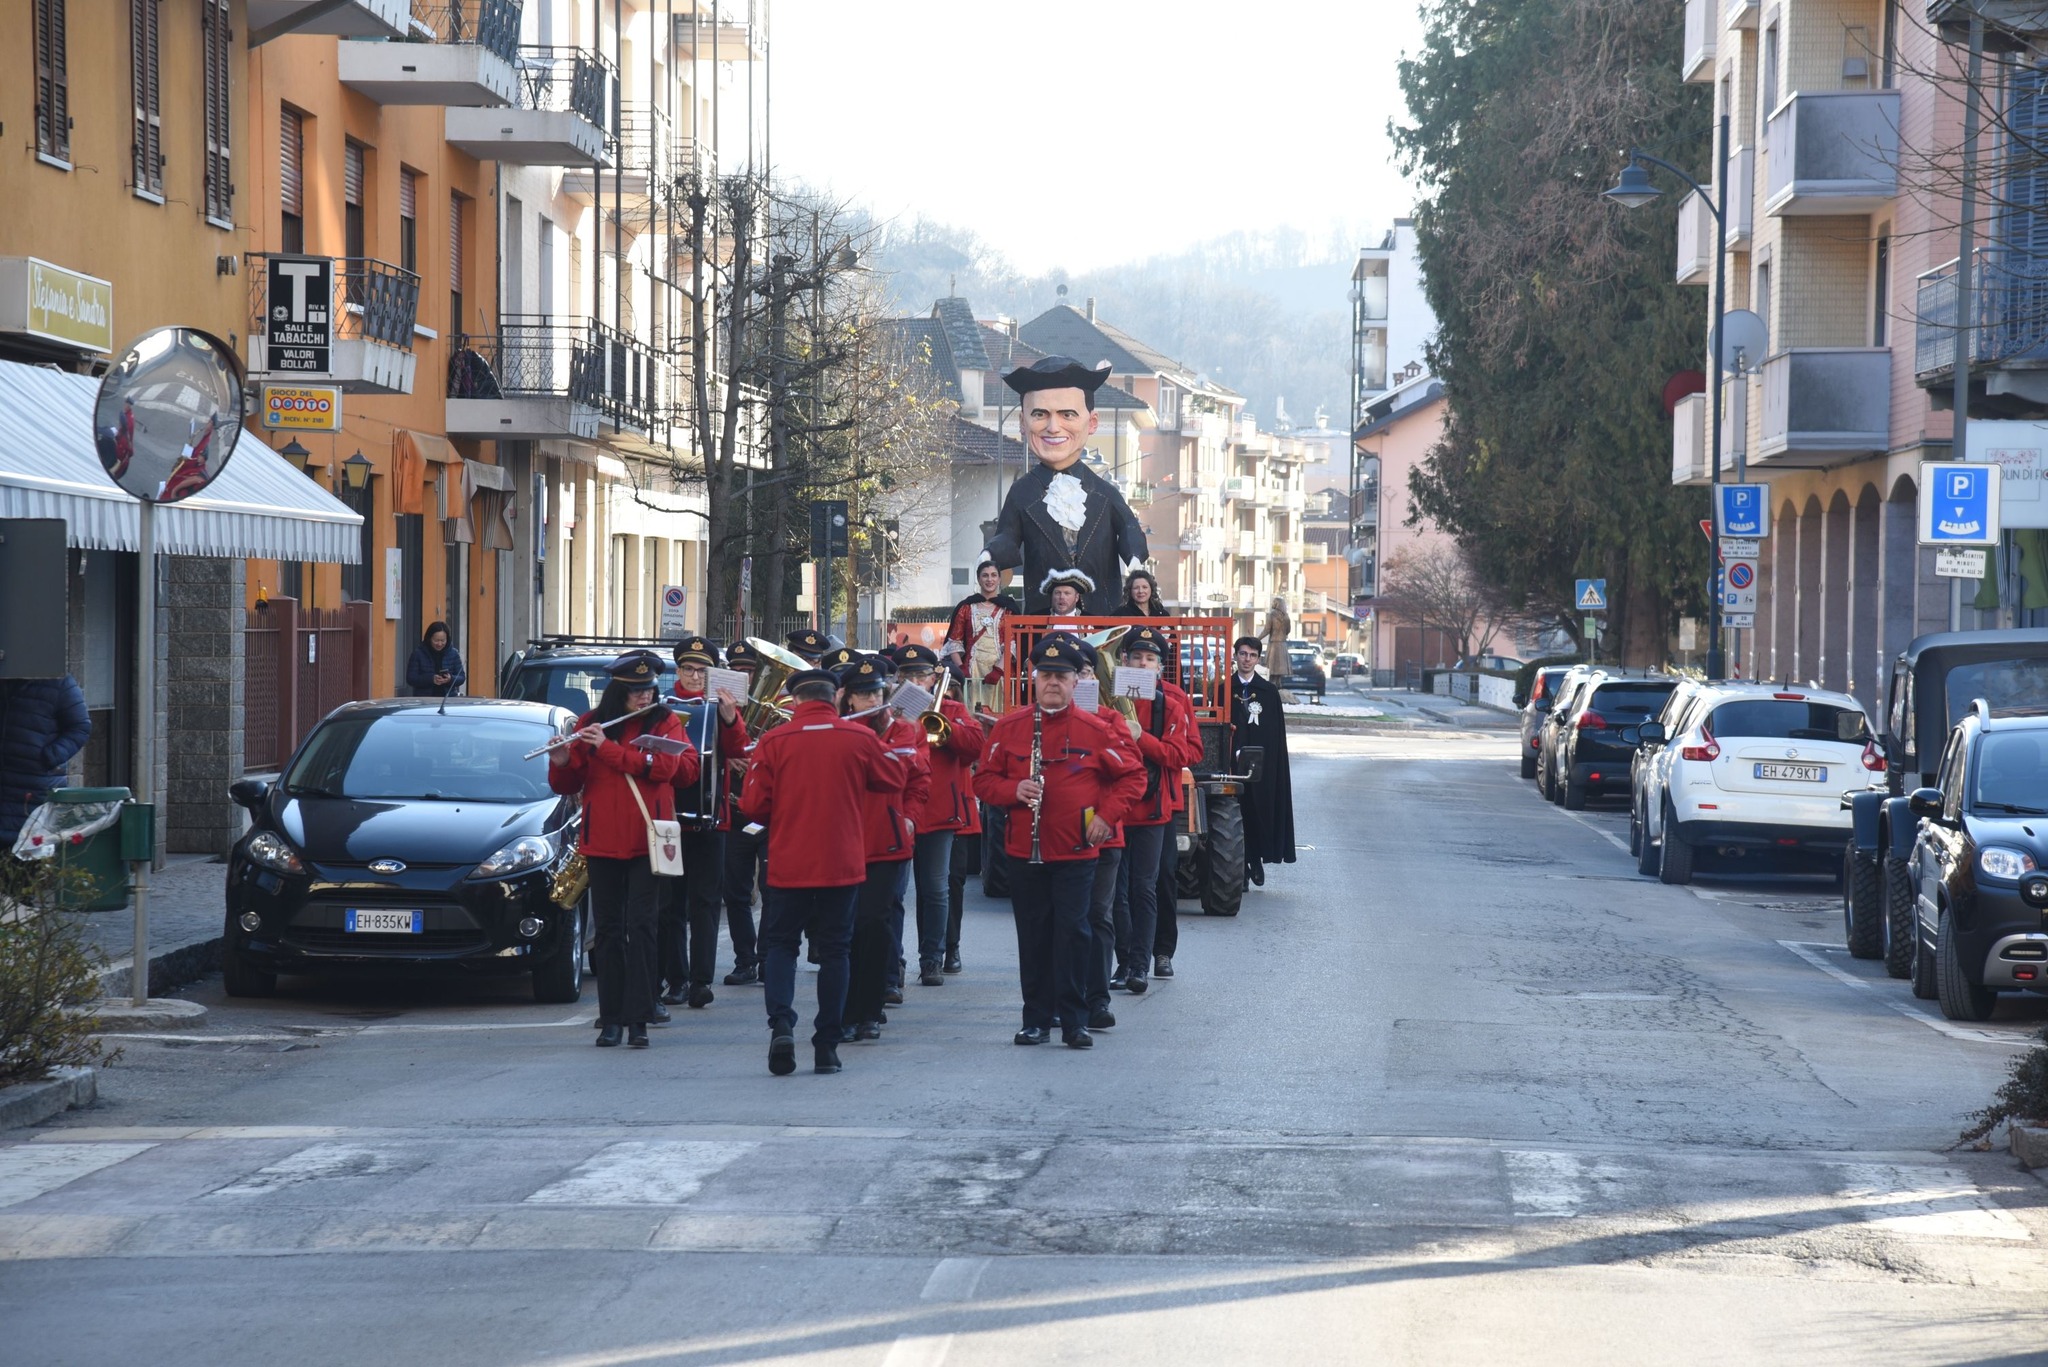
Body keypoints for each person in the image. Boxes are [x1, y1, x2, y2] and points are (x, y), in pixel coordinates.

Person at [973, 636, 1144, 1049]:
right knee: (1033, 935)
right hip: (1022, 850)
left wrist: (1106, 817)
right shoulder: (1011, 727)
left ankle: (1075, 1020)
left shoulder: (1096, 728)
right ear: (1034, 679)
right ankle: (1035, 1019)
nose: (1053, 683)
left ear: (1075, 682)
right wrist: (1013, 790)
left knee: (1073, 932)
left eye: (1061, 676)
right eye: (1046, 675)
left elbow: (1133, 776)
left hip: (1076, 851)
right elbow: (982, 780)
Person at [739, 667, 905, 1076]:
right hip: (841, 861)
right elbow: (894, 778)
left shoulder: (775, 740)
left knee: (781, 946)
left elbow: (753, 807)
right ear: (836, 698)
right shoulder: (861, 737)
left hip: (790, 861)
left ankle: (781, 1022)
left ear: (796, 701)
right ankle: (827, 1044)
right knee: (835, 952)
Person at [547, 650, 691, 1049]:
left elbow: (665, 769)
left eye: (647, 690)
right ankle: (610, 1018)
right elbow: (567, 783)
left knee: (642, 927)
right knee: (609, 932)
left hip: (648, 840)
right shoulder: (591, 724)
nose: (643, 698)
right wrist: (560, 760)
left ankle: (640, 1017)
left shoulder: (667, 722)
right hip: (604, 841)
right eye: (634, 692)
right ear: (617, 691)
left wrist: (608, 750)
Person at [980, 356, 1147, 615]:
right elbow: (1007, 536)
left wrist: (1134, 559)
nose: (1053, 427)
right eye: (1039, 414)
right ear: (1023, 424)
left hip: (1100, 615)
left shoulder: (1105, 494)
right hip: (1043, 618)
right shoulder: (1022, 493)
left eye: (1067, 414)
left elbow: (1128, 528)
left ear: (1092, 422)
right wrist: (990, 555)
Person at [1106, 626, 1204, 994]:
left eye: (1149, 659)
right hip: (1117, 804)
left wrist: (1140, 737)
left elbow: (1187, 753)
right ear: (1125, 661)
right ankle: (1127, 958)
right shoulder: (1108, 698)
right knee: (1117, 889)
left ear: (1159, 667)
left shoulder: (1173, 700)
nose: (1142, 663)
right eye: (1136, 657)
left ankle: (1156, 954)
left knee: (1157, 880)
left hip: (1157, 802)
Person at [839, 656, 930, 1042]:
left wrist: (909, 818)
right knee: (843, 931)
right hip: (842, 843)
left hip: (887, 843)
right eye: (863, 695)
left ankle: (870, 1010)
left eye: (877, 692)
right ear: (849, 701)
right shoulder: (838, 731)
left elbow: (918, 781)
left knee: (876, 928)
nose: (871, 699)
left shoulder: (902, 731)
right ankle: (843, 1009)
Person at [660, 636, 751, 1009]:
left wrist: (730, 719)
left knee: (706, 902)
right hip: (669, 821)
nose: (695, 676)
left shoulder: (722, 706)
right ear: (678, 670)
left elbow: (740, 752)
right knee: (669, 905)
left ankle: (701, 981)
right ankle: (676, 980)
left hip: (714, 821)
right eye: (688, 669)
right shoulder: (664, 708)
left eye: (702, 670)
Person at [894, 644, 985, 987]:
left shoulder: (952, 708)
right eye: (909, 675)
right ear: (899, 678)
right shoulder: (889, 711)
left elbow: (976, 747)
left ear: (934, 678)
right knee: (894, 893)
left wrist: (946, 726)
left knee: (935, 889)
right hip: (898, 810)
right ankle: (893, 962)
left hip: (939, 812)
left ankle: (932, 958)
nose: (917, 681)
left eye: (922, 675)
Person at [719, 640, 770, 985]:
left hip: (768, 814)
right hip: (733, 813)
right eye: (736, 671)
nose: (742, 677)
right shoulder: (714, 711)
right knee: (735, 892)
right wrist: (727, 758)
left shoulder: (772, 709)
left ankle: (768, 957)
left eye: (748, 672)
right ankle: (744, 958)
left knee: (772, 888)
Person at [1231, 636, 1297, 888]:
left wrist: (1268, 762)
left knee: (1259, 811)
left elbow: (1274, 733)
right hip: (1232, 764)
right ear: (1235, 656)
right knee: (1237, 811)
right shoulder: (1225, 690)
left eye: (1252, 655)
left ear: (1258, 659)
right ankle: (1242, 868)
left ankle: (1256, 859)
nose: (1247, 659)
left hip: (1262, 766)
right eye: (1243, 654)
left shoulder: (1268, 693)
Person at [0, 675, 92, 853]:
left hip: (34, 783)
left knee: (30, 848)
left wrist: (48, 757)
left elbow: (80, 727)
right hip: (12, 781)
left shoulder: (59, 683)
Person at [943, 563, 1020, 714]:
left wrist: (998, 669)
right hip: (973, 672)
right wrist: (961, 669)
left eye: (993, 575)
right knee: (973, 713)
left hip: (1001, 673)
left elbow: (1012, 642)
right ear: (978, 579)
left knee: (1000, 714)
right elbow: (954, 642)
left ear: (999, 579)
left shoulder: (1009, 608)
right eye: (985, 575)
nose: (989, 579)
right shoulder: (966, 607)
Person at [405, 621, 468, 698]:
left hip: (448, 699)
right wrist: (431, 679)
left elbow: (461, 677)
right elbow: (411, 678)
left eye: (443, 640)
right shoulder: (418, 654)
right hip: (425, 700)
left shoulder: (453, 653)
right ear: (429, 638)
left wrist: (450, 679)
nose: (439, 644)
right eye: (436, 640)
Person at [1261, 597, 1292, 682]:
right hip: (1282, 645)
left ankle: (1273, 687)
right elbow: (1288, 630)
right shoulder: (1286, 617)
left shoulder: (1271, 615)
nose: (1272, 604)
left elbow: (1266, 630)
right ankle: (1278, 685)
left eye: (1273, 602)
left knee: (1272, 669)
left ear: (1276, 604)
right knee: (1279, 671)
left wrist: (1257, 639)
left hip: (1274, 645)